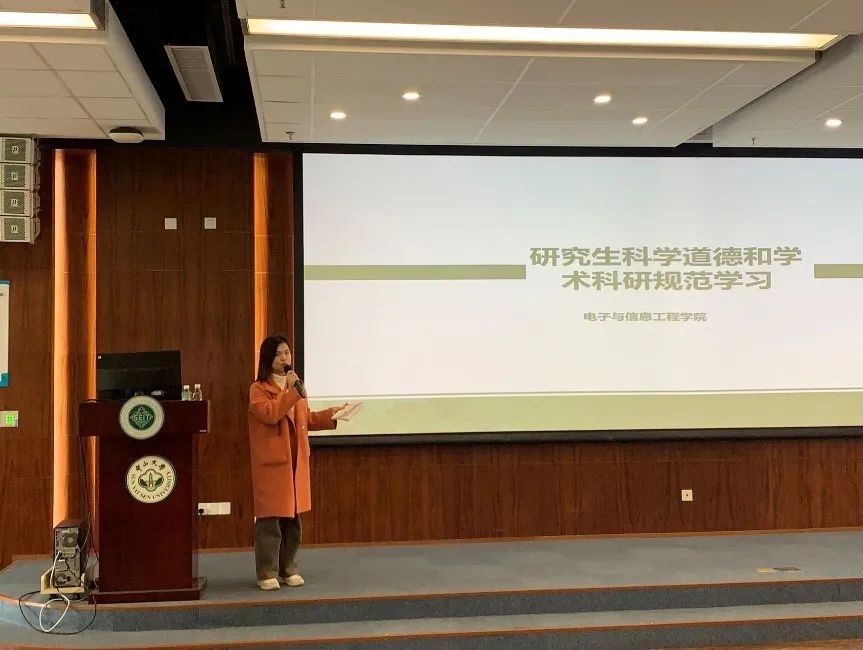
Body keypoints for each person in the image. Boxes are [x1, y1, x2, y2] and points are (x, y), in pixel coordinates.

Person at [248, 334, 343, 590]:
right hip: (272, 465)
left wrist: (332, 415)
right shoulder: (258, 389)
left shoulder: (296, 387)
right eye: (279, 354)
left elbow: (305, 419)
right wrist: (292, 391)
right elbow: (271, 414)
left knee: (293, 521)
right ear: (268, 358)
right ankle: (266, 572)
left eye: (287, 353)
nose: (285, 358)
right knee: (270, 521)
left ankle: (288, 568)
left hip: (295, 462)